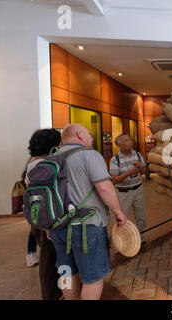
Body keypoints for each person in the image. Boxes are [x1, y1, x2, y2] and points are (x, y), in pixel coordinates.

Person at [48, 124, 127, 300]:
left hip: (57, 227)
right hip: (86, 227)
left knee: (67, 271)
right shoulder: (88, 155)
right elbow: (105, 188)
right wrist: (118, 212)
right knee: (94, 278)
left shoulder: (51, 158)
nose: (91, 138)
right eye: (89, 135)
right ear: (80, 135)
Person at [25, 128, 63, 300]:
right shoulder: (41, 166)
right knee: (49, 262)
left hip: (41, 218)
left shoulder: (34, 162)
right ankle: (52, 295)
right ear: (52, 145)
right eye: (59, 143)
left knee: (52, 259)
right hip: (46, 220)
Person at [110, 133, 148, 242]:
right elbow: (114, 180)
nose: (130, 142)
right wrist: (128, 173)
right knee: (123, 217)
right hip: (123, 193)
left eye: (130, 140)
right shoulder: (114, 160)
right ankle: (123, 241)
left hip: (138, 190)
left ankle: (141, 237)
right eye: (126, 141)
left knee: (141, 215)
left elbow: (145, 171)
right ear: (119, 145)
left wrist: (140, 167)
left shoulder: (137, 155)